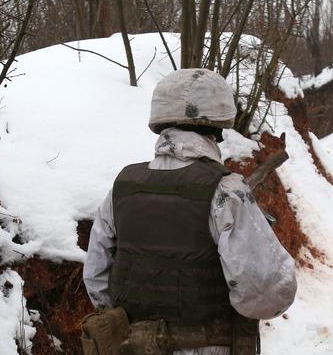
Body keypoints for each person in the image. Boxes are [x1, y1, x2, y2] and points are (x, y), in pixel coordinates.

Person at [83, 69, 297, 355]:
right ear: (217, 127)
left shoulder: (122, 187)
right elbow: (268, 292)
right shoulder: (226, 191)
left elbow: (96, 278)